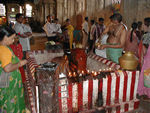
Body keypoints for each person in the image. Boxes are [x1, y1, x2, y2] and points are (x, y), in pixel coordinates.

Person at [0, 26, 27, 112]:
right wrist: (20, 63)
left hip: (7, 82)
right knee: (10, 103)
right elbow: (7, 68)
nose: (13, 41)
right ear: (5, 38)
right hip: (8, 84)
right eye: (11, 38)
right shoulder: (4, 50)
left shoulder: (4, 47)